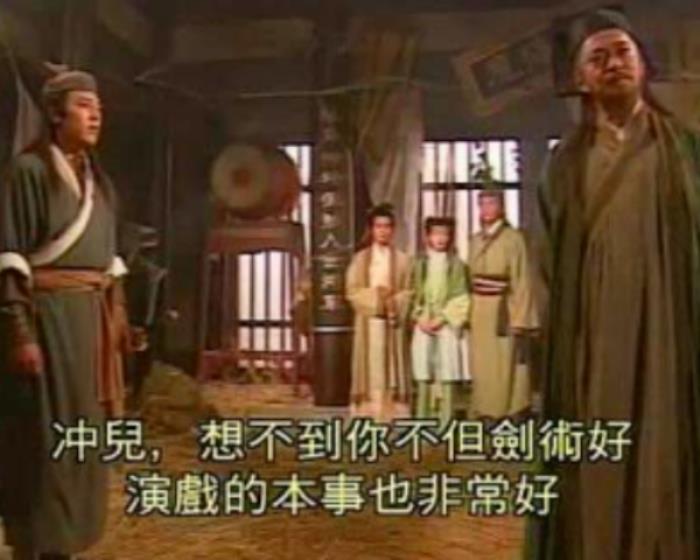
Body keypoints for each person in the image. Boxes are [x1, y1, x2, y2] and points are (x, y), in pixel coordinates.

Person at [529, 9, 700, 560]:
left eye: (623, 52)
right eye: (597, 58)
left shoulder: (685, 152)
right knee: (598, 456)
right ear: (579, 79)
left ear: (644, 64)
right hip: (595, 336)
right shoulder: (564, 165)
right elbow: (549, 262)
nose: (613, 65)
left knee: (666, 452)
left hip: (672, 328)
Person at [0, 68, 130, 560]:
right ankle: (38, 545)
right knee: (44, 441)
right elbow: (9, 259)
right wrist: (20, 332)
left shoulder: (101, 182)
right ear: (56, 114)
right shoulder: (28, 172)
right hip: (48, 323)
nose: (96, 116)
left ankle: (69, 544)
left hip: (89, 327)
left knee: (82, 438)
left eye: (99, 108)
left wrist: (118, 321)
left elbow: (111, 265)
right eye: (83, 106)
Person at [467, 187, 539, 420]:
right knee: (482, 362)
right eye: (483, 204)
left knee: (505, 361)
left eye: (492, 203)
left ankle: (506, 409)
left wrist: (521, 318)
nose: (487, 209)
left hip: (503, 308)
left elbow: (521, 279)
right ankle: (484, 408)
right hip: (479, 308)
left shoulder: (513, 239)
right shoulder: (475, 239)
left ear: (501, 207)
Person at [345, 203, 413, 421]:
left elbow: (410, 291)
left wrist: (394, 301)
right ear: (372, 230)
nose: (383, 231)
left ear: (393, 230)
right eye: (378, 226)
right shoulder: (361, 259)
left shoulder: (403, 260)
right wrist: (377, 297)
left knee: (392, 366)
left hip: (392, 321)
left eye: (387, 226)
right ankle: (369, 410)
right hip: (369, 320)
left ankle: (394, 410)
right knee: (371, 367)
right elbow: (352, 291)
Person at [410, 216, 470, 426]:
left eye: (444, 234)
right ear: (427, 237)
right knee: (424, 372)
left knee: (447, 372)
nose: (440, 239)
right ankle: (423, 422)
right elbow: (412, 293)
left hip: (446, 324)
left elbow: (462, 297)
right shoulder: (419, 264)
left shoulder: (456, 265)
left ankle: (446, 423)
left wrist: (443, 318)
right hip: (424, 322)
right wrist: (419, 316)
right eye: (436, 234)